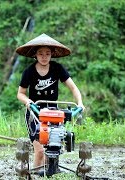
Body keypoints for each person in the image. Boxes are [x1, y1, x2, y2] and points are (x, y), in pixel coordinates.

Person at [16, 33, 85, 168]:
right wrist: (28, 102)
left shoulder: (57, 68)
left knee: (52, 149)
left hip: (53, 111)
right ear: (35, 54)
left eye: (47, 53)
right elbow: (20, 94)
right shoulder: (29, 71)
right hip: (35, 111)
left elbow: (73, 87)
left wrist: (80, 103)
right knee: (40, 150)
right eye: (41, 53)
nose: (44, 57)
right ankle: (35, 173)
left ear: (51, 54)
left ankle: (50, 174)